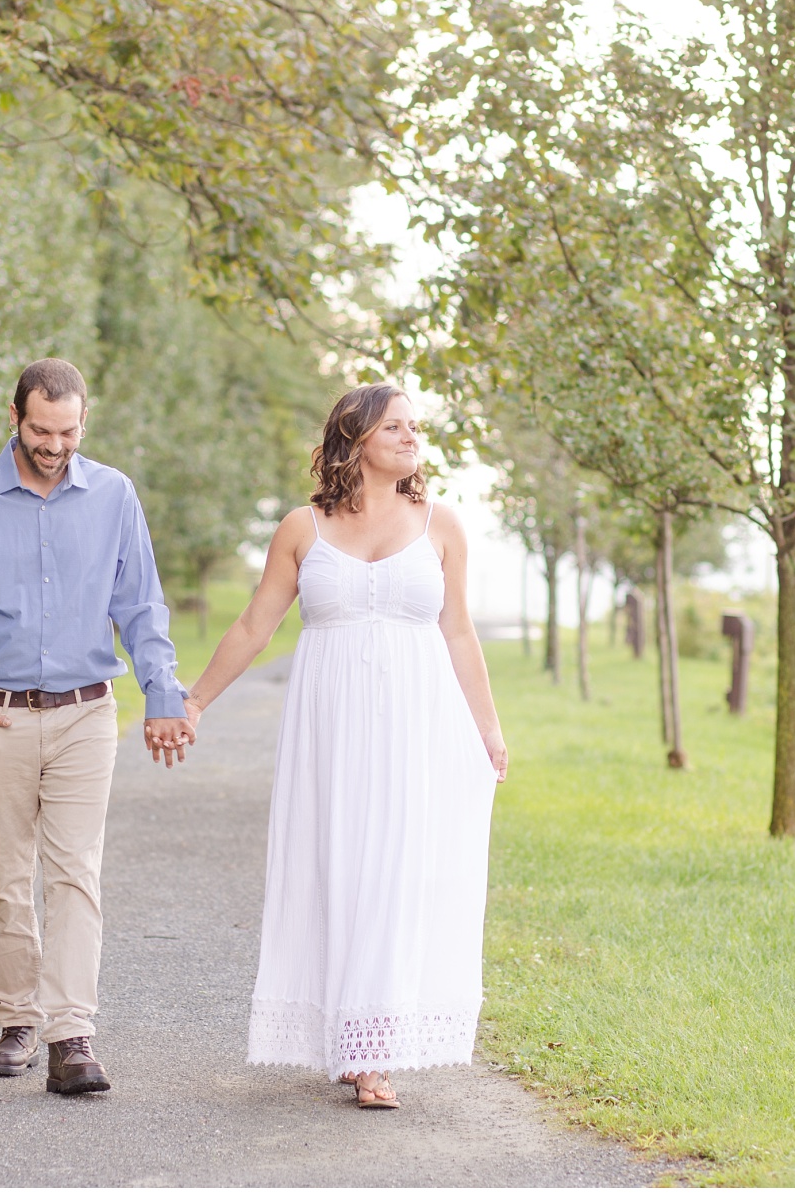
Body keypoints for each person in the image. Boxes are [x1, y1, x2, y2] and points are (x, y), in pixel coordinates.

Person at [181, 382, 508, 1110]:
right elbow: (252, 627)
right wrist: (194, 699)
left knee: (396, 873)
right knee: (336, 872)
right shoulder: (303, 527)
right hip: (329, 729)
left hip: (416, 728)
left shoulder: (442, 525)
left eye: (413, 427)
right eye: (394, 426)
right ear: (353, 437)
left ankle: (374, 1053)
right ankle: (343, 1031)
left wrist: (486, 727)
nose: (409, 436)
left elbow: (458, 632)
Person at [0, 358, 195, 1096]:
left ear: (82, 424)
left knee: (74, 873)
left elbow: (141, 609)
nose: (54, 444)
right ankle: (16, 1020)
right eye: (40, 429)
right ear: (13, 417)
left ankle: (71, 1033)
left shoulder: (113, 496)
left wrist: (164, 694)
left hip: (85, 712)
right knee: (5, 877)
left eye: (67, 431)